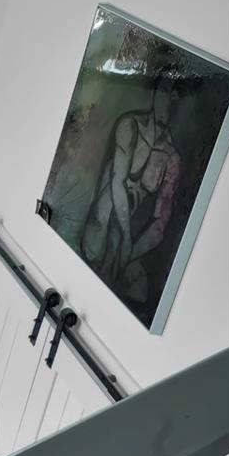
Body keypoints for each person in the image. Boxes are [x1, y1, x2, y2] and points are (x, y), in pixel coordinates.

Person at [80, 68, 181, 311]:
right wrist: (125, 238)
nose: (168, 99)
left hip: (128, 240)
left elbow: (160, 224)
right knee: (105, 218)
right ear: (155, 92)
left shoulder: (171, 158)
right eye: (165, 90)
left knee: (138, 293)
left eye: (174, 93)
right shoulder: (130, 126)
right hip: (102, 227)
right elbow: (117, 182)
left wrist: (131, 251)